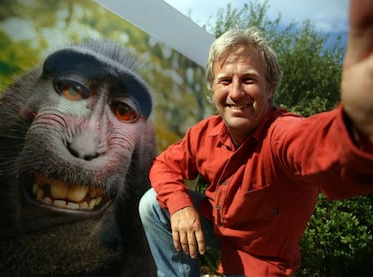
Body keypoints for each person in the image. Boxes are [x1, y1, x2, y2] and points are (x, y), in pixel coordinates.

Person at [138, 0, 373, 276]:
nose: (236, 93)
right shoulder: (204, 133)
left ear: (269, 89)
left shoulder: (281, 133)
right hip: (217, 229)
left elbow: (322, 148)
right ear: (213, 91)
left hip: (261, 263)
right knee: (155, 203)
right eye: (225, 81)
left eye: (248, 80)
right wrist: (180, 207)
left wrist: (357, 129)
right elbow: (163, 166)